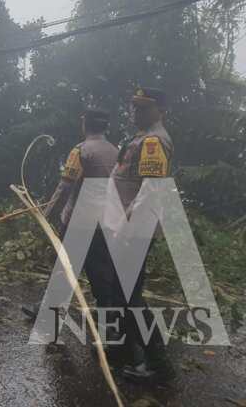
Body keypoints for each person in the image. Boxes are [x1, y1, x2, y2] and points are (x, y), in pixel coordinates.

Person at [22, 108, 118, 320]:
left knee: (65, 267)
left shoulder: (81, 151)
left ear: (85, 124)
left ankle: (48, 311)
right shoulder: (116, 152)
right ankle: (110, 319)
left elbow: (65, 187)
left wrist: (45, 213)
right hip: (105, 223)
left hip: (79, 222)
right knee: (101, 272)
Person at [107, 87, 174, 383]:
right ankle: (125, 350)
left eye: (144, 107)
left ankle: (159, 364)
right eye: (134, 106)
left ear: (160, 110)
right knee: (121, 292)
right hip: (127, 226)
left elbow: (150, 189)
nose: (136, 111)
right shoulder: (141, 137)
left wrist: (125, 225)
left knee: (129, 296)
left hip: (134, 229)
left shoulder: (154, 140)